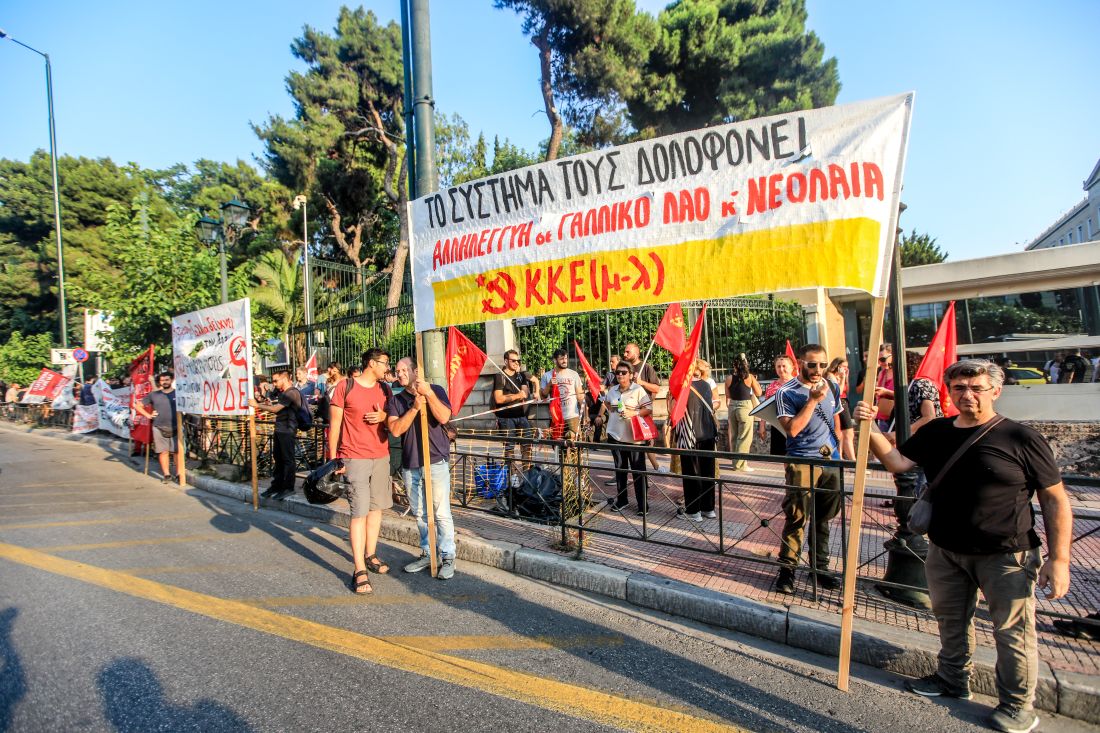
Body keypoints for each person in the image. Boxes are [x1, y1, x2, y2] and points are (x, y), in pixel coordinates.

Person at [855, 359, 1072, 733]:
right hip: (945, 548)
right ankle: (953, 680)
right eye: (959, 388)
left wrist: (1061, 558)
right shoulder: (937, 431)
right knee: (951, 621)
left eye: (976, 388)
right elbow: (896, 462)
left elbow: (1055, 499)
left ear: (994, 391)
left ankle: (1018, 704)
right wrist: (869, 426)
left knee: (1013, 631)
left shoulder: (1020, 437)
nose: (967, 395)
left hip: (1007, 553)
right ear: (949, 391)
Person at [773, 344, 850, 595]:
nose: (818, 370)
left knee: (824, 518)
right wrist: (812, 401)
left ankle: (820, 568)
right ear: (801, 364)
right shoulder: (787, 392)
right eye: (812, 364)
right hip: (801, 461)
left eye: (822, 365)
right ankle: (787, 570)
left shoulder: (833, 386)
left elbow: (836, 421)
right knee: (796, 518)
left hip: (830, 462)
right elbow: (792, 429)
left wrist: (838, 452)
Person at [328, 348, 394, 595]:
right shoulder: (345, 387)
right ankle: (358, 569)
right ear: (371, 363)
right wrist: (334, 458)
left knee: (376, 509)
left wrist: (384, 416)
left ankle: (371, 554)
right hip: (354, 457)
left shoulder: (384, 390)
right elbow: (334, 426)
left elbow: (393, 420)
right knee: (359, 512)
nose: (387, 367)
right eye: (384, 363)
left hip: (381, 455)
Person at [387, 357, 456, 579]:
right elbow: (396, 430)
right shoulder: (396, 400)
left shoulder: (435, 389)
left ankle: (447, 556)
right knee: (420, 514)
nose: (400, 374)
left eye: (404, 370)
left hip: (435, 460)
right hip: (412, 463)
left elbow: (444, 416)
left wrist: (428, 394)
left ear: (416, 371)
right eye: (397, 371)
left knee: (441, 512)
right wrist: (415, 408)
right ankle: (428, 553)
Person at [594, 363, 652, 515]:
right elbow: (606, 404)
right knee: (620, 471)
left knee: (638, 472)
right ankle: (622, 500)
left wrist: (634, 413)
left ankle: (642, 504)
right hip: (615, 436)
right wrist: (601, 416)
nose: (620, 375)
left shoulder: (638, 390)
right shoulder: (612, 390)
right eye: (617, 372)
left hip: (635, 439)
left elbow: (648, 408)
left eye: (623, 372)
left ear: (631, 374)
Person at [673, 360, 719, 521]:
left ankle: (693, 511)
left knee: (691, 472)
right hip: (708, 433)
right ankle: (709, 508)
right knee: (707, 472)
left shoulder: (681, 387)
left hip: (690, 434)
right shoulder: (706, 385)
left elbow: (675, 410)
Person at [250, 368, 302, 499]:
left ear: (284, 379)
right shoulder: (283, 393)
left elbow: (275, 409)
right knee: (278, 459)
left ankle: (288, 487)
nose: (274, 384)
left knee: (287, 460)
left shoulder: (292, 393)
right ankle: (277, 485)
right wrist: (268, 403)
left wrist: (257, 405)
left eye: (276, 381)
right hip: (280, 429)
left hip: (287, 430)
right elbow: (277, 406)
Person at [622, 342, 665, 473]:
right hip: (626, 411)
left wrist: (641, 383)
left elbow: (656, 388)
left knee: (646, 439)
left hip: (642, 411)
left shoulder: (646, 368)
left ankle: (655, 466)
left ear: (637, 352)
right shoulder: (624, 368)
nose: (625, 354)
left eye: (628, 352)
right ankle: (622, 470)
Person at [493, 349, 537, 472]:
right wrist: (517, 396)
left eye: (518, 361)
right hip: (506, 418)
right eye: (513, 360)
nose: (516, 363)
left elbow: (525, 392)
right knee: (509, 448)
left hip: (521, 415)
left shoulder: (521, 376)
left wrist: (521, 393)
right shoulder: (499, 376)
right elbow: (499, 399)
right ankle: (511, 477)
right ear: (506, 361)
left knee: (527, 445)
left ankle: (527, 474)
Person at [134, 372, 178, 484]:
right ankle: (167, 474)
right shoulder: (154, 395)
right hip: (159, 427)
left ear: (172, 380)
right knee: (163, 452)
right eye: (162, 380)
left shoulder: (178, 394)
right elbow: (137, 405)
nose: (164, 382)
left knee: (177, 452)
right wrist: (148, 415)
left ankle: (179, 473)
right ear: (160, 382)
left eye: (167, 379)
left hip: (176, 427)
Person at [725, 354, 762, 471]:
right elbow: (759, 393)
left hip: (732, 407)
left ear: (734, 365)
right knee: (744, 437)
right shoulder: (749, 377)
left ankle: (735, 462)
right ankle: (740, 465)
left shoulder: (728, 378)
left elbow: (728, 395)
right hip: (745, 407)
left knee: (735, 436)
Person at [540, 348, 585, 439]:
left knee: (574, 443)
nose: (564, 361)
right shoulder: (547, 375)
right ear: (555, 360)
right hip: (555, 416)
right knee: (558, 445)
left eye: (566, 358)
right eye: (561, 359)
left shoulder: (574, 374)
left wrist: (585, 415)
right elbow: (543, 396)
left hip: (572, 415)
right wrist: (549, 385)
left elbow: (580, 396)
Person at [758, 355, 795, 457]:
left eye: (784, 366)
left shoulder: (798, 384)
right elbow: (765, 407)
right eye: (778, 366)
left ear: (792, 367)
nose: (781, 369)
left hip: (796, 425)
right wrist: (762, 426)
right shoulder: (772, 386)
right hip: (777, 426)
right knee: (779, 457)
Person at [825, 357, 856, 460]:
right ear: (837, 366)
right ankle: (852, 460)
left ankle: (840, 456)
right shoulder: (831, 376)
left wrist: (844, 377)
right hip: (839, 403)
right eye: (844, 367)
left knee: (842, 433)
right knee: (848, 432)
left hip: (843, 402)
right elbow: (839, 392)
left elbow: (847, 390)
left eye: (847, 367)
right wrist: (842, 378)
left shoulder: (839, 375)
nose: (846, 369)